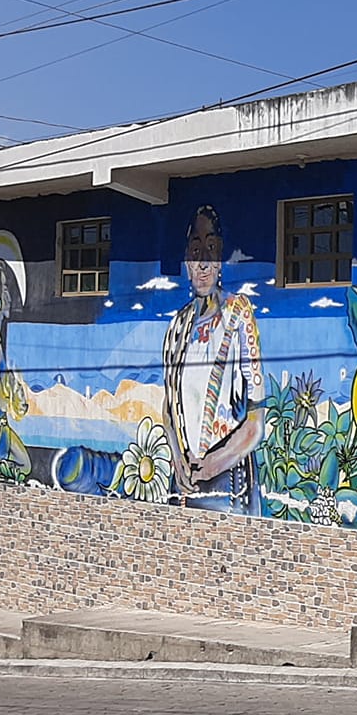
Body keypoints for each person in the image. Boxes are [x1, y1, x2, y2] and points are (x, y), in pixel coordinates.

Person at [161, 206, 266, 514]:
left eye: (211, 248)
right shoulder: (177, 327)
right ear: (186, 260)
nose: (203, 262)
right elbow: (169, 407)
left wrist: (212, 466)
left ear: (221, 258)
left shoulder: (238, 315)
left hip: (226, 481)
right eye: (196, 250)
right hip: (183, 481)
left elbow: (255, 423)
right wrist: (178, 460)